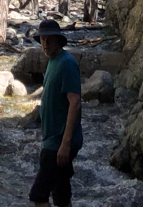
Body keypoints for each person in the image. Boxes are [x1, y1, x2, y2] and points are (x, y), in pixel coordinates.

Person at [28, 18, 82, 207]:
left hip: (58, 142)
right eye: (42, 39)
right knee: (61, 194)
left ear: (58, 40)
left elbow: (75, 103)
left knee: (39, 195)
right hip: (53, 139)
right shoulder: (53, 62)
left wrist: (65, 145)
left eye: (49, 39)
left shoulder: (67, 63)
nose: (45, 43)